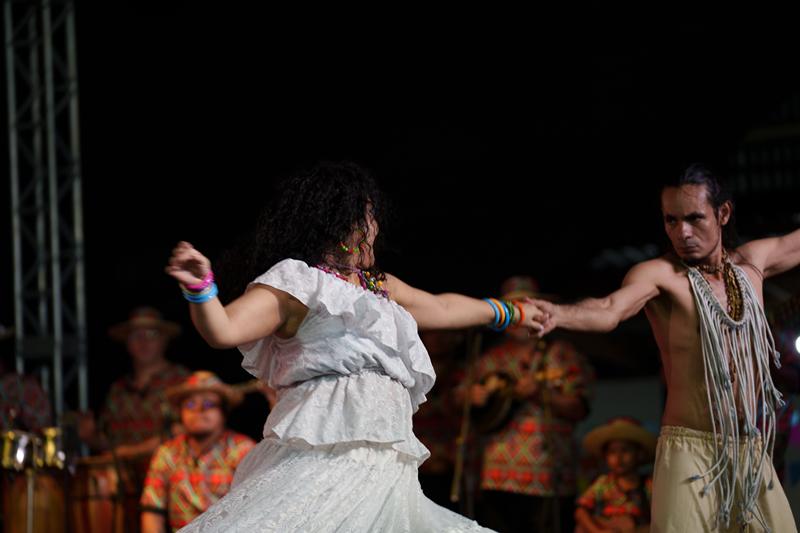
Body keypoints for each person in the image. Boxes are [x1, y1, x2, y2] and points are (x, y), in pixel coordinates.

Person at [164, 161, 546, 532]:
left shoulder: (380, 287)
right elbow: (224, 330)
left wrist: (512, 312)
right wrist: (200, 288)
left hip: (387, 470)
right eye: (370, 217)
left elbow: (443, 308)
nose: (376, 228)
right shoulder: (301, 283)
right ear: (346, 224)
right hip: (324, 461)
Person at [532, 164, 799, 531]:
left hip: (750, 450)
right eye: (671, 220)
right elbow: (609, 309)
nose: (682, 232)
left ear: (723, 213)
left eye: (694, 218)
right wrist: (560, 313)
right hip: (690, 452)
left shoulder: (752, 264)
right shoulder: (660, 275)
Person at [467, 276, 593, 533]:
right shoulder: (489, 359)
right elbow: (457, 400)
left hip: (547, 474)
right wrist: (471, 395)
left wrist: (541, 393)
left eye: (524, 307)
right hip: (496, 475)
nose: (518, 316)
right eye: (512, 309)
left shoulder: (562, 354)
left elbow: (579, 408)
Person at [141, 370, 255, 532]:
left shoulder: (242, 449)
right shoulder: (167, 453)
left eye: (208, 404)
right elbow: (152, 510)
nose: (198, 411)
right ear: (180, 412)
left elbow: (254, 510)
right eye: (190, 405)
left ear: (223, 412)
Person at [79, 307, 190, 458]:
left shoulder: (182, 382)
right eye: (136, 335)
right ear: (127, 342)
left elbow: (187, 430)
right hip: (124, 473)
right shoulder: (118, 390)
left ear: (164, 340)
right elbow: (111, 446)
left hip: (169, 469)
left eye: (151, 334)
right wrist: (90, 437)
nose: (143, 342)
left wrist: (133, 452)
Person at [575, 417, 656, 533]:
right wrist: (597, 531)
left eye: (625, 450)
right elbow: (581, 511)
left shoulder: (649, 484)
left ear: (639, 454)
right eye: (612, 452)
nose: (618, 458)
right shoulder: (603, 483)